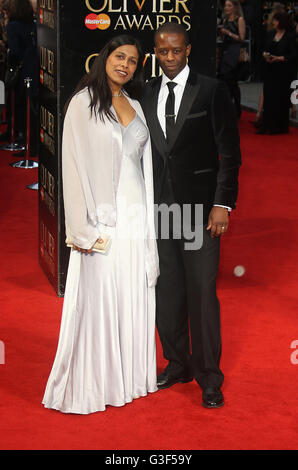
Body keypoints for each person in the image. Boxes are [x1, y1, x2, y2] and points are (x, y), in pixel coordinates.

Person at [42, 35, 159, 414]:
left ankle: (129, 378)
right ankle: (96, 383)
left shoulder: (137, 106)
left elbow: (145, 168)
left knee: (131, 292)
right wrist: (81, 229)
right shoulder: (82, 103)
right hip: (101, 220)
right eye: (119, 56)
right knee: (101, 298)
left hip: (135, 214)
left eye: (133, 60)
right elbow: (71, 168)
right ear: (105, 57)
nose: (125, 64)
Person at [141, 23, 241, 409]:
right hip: (161, 211)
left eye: (176, 51)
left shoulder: (211, 90)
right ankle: (177, 363)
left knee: (202, 296)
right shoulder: (146, 91)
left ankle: (209, 377)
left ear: (188, 50)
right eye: (162, 52)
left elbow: (229, 154)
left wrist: (223, 204)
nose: (169, 58)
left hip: (200, 213)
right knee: (167, 294)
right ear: (155, 51)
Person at [258, 10, 297, 134]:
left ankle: (279, 126)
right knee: (269, 96)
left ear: (282, 21)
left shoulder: (290, 36)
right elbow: (264, 48)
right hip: (270, 70)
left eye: (276, 20)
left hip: (283, 72)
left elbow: (293, 55)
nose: (273, 22)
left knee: (280, 98)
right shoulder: (270, 34)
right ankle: (267, 124)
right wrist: (265, 55)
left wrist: (279, 58)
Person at [5, 0, 38, 146]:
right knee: (29, 107)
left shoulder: (12, 26)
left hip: (20, 71)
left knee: (17, 105)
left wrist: (8, 54)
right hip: (33, 69)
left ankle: (18, 136)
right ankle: (25, 138)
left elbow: (15, 51)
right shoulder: (33, 24)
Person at [218, 0, 246, 118]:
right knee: (224, 80)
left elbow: (241, 38)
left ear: (235, 7)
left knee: (232, 80)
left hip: (234, 53)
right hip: (225, 51)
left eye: (229, 6)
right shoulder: (225, 20)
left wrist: (228, 33)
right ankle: (228, 107)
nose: (226, 8)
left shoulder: (239, 19)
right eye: (225, 5)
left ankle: (237, 108)